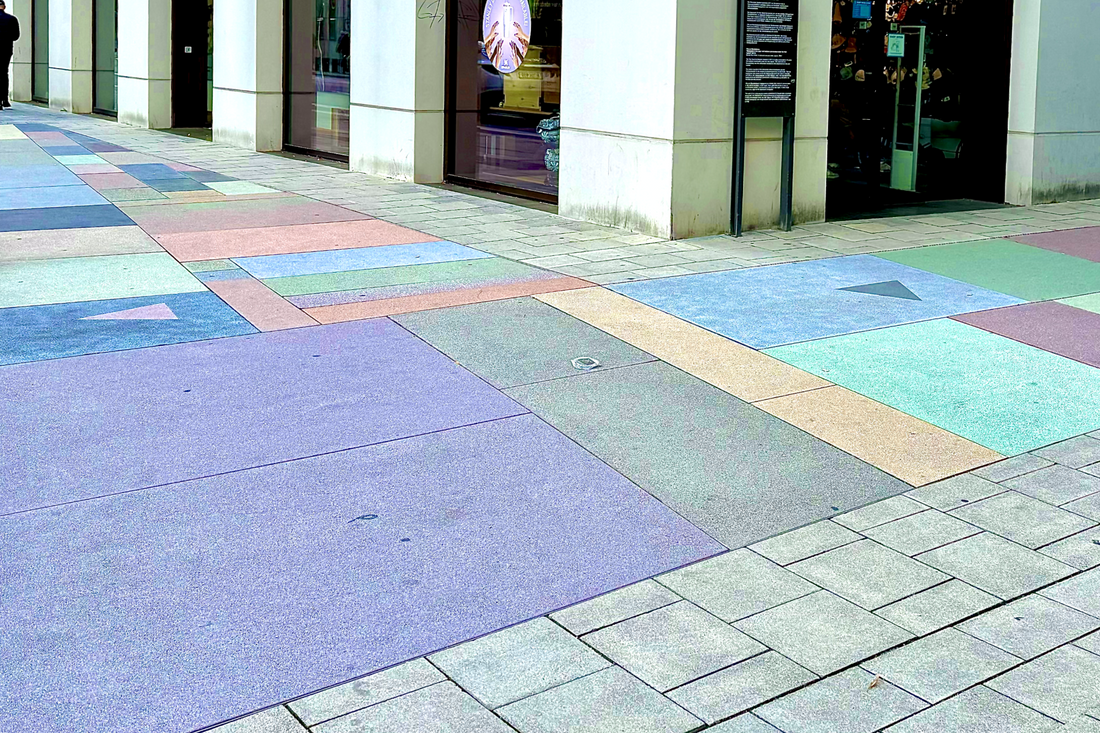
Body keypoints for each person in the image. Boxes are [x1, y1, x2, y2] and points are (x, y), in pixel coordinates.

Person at [0, 0, 19, 110]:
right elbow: (16, 36)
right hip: (6, 49)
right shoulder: (12, 19)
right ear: (4, 7)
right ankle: (5, 99)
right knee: (4, 73)